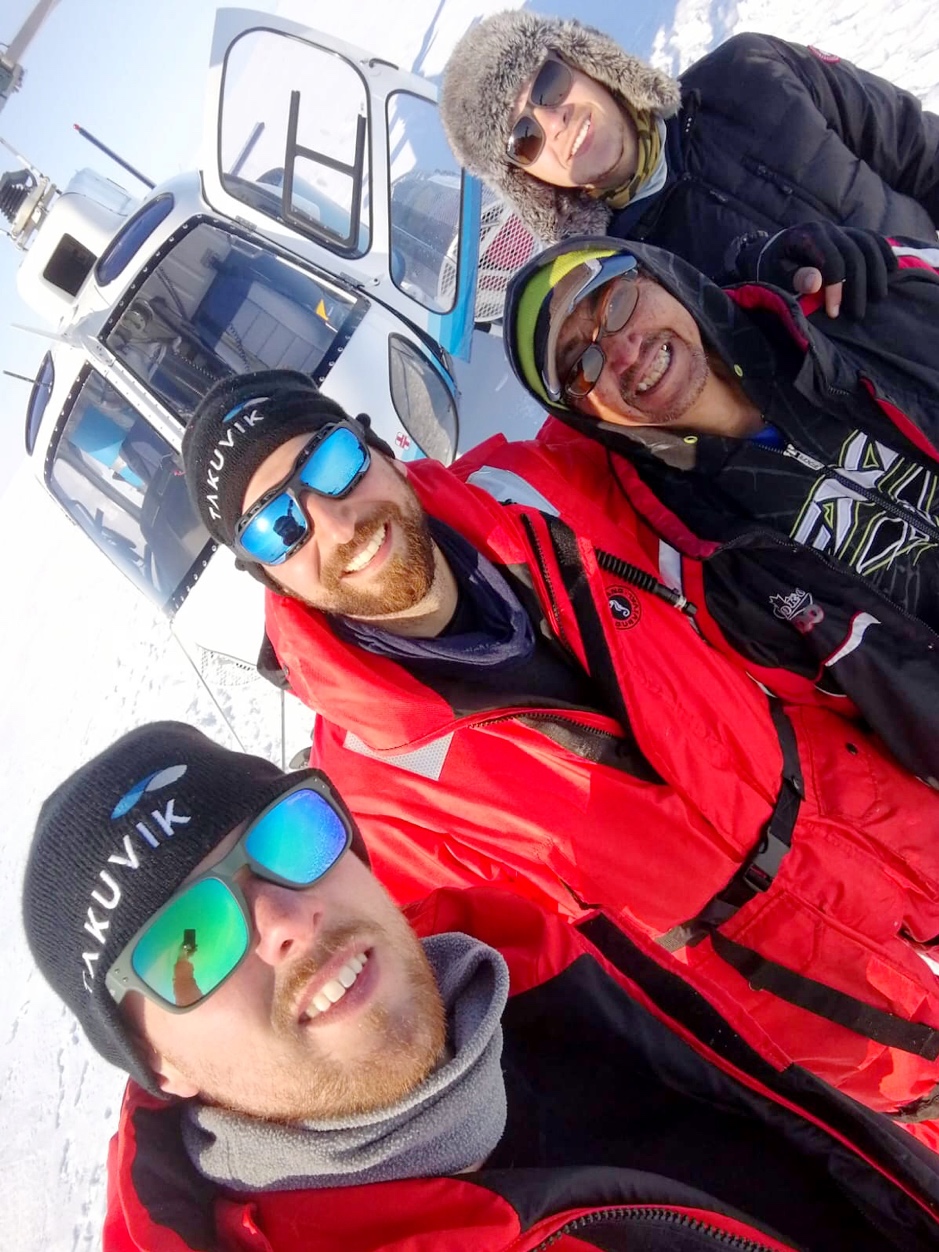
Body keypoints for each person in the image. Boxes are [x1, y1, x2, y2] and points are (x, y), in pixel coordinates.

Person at [175, 368, 939, 1131]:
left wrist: (804, 279)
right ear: (266, 575)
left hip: (889, 812)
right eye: (279, 525)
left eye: (331, 463)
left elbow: (680, 372)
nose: (337, 524)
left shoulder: (528, 485)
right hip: (831, 1032)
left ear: (373, 443)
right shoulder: (372, 803)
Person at [21, 722, 939, 1250]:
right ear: (157, 1064)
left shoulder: (561, 977)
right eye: (190, 944)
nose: (285, 920)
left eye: (284, 841)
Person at [502, 227, 939, 787]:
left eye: (618, 301)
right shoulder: (713, 576)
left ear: (659, 275)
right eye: (580, 366)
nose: (623, 351)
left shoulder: (841, 307)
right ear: (585, 417)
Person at [439, 11, 939, 286]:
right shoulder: (632, 287)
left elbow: (915, 144)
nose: (555, 119)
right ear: (525, 180)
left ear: (583, 60)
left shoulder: (749, 69)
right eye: (524, 138)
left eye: (548, 82)